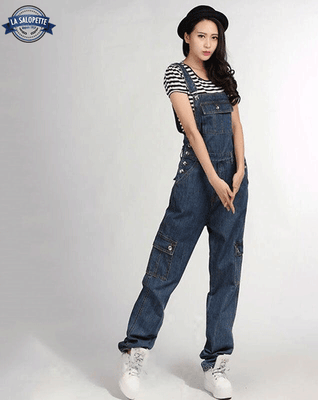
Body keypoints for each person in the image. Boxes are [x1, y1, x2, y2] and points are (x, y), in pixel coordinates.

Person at [117, 5, 249, 400]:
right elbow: (191, 130)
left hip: (232, 185)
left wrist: (239, 171)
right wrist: (214, 178)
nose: (208, 44)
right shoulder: (177, 73)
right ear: (187, 36)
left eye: (214, 37)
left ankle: (216, 362)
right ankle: (135, 352)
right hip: (196, 181)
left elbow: (236, 125)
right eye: (201, 35)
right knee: (166, 265)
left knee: (226, 272)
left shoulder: (224, 75)